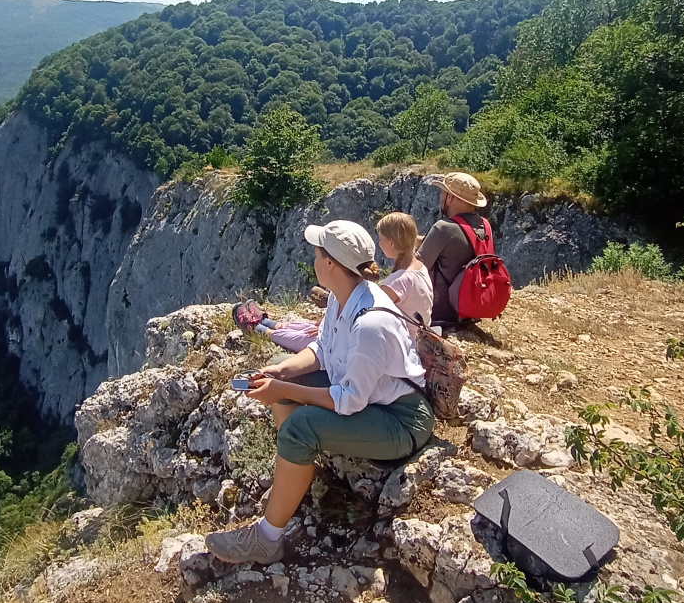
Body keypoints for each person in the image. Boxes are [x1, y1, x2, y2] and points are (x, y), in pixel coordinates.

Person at [206, 219, 435, 566]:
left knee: (301, 425)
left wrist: (286, 389)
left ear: (331, 263)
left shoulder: (371, 322)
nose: (313, 258)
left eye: (317, 253)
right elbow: (322, 351)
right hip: (372, 402)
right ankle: (296, 469)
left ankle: (267, 538)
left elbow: (349, 400)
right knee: (284, 362)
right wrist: (281, 372)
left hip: (400, 420)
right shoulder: (341, 298)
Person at [417, 171, 490, 330]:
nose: (441, 198)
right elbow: (457, 247)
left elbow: (416, 269)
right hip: (469, 312)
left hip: (441, 315)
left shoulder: (443, 228)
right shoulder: (484, 225)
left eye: (443, 193)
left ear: (450, 197)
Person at [377, 211, 433, 328]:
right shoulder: (420, 267)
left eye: (381, 239)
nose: (379, 243)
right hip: (423, 336)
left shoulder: (395, 284)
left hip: (406, 343)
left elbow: (371, 314)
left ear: (392, 244)